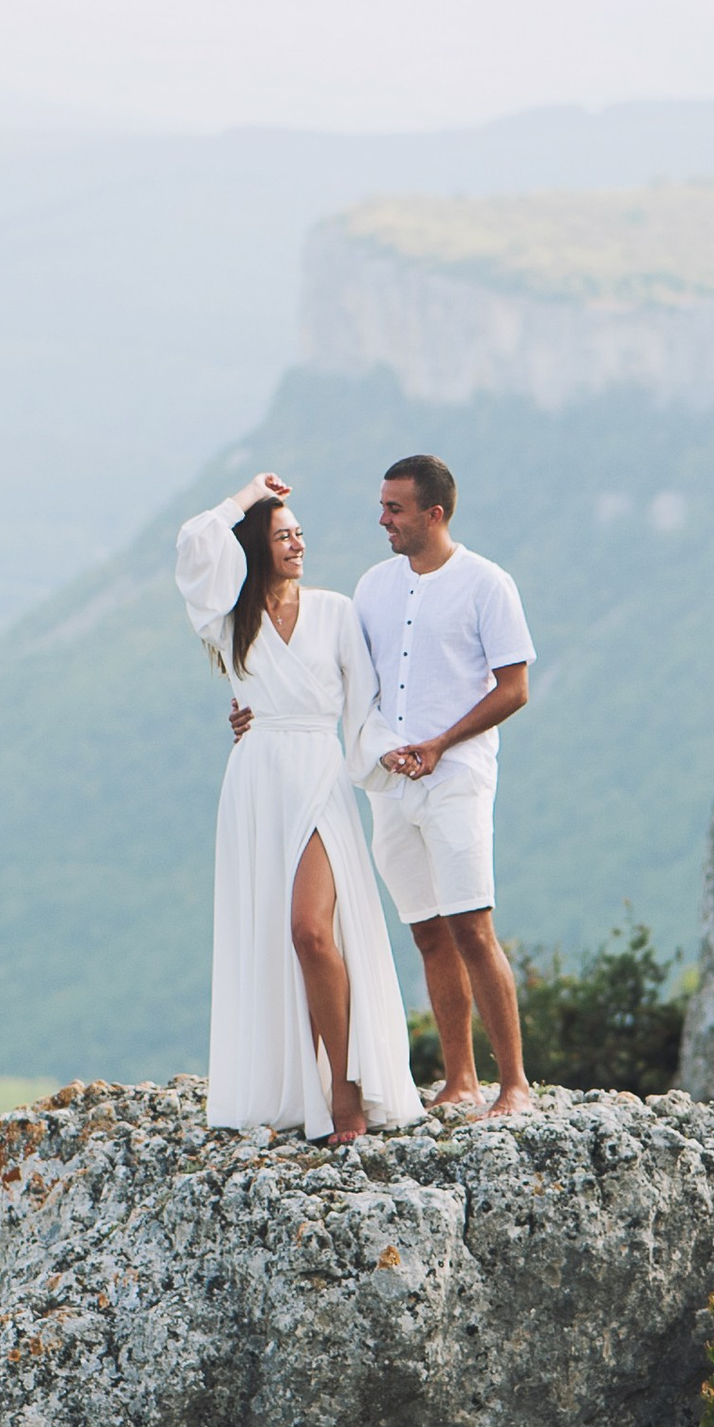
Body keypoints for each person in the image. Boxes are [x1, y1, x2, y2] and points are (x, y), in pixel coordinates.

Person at [241, 452, 538, 1121]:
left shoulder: (487, 584)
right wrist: (251, 709)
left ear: (433, 514)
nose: (382, 520)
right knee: (427, 932)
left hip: (457, 777)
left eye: (394, 509)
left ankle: (515, 1084)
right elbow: (335, 673)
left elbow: (515, 687)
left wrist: (440, 744)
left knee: (472, 928)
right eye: (382, 507)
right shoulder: (372, 588)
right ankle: (460, 1080)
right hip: (388, 784)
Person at [175, 470, 421, 1143]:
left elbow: (364, 710)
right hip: (256, 783)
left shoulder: (336, 611)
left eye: (300, 534)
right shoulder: (231, 621)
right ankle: (293, 1086)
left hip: (318, 774)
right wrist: (247, 495)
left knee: (312, 932)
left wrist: (393, 755)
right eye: (283, 535)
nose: (298, 544)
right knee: (275, 938)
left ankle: (346, 1090)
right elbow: (196, 543)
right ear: (256, 545)